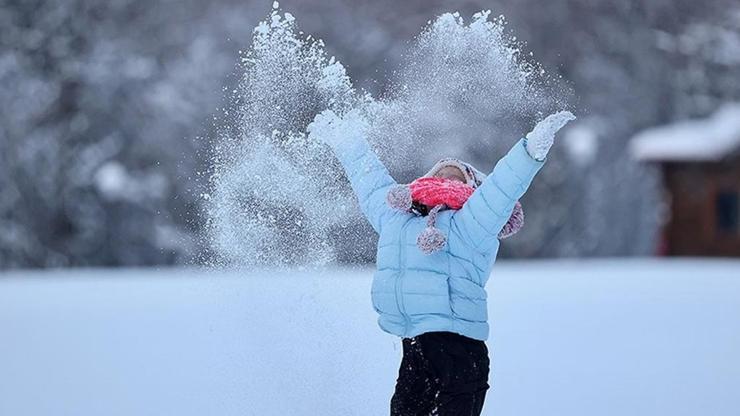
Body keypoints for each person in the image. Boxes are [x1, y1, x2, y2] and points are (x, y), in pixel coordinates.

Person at [307, 109, 575, 415]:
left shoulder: (472, 221)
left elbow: (502, 188)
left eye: (457, 174)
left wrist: (529, 151)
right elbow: (369, 180)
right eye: (440, 172)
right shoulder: (396, 216)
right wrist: (345, 140)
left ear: (473, 189)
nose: (446, 175)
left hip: (460, 349)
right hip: (415, 346)